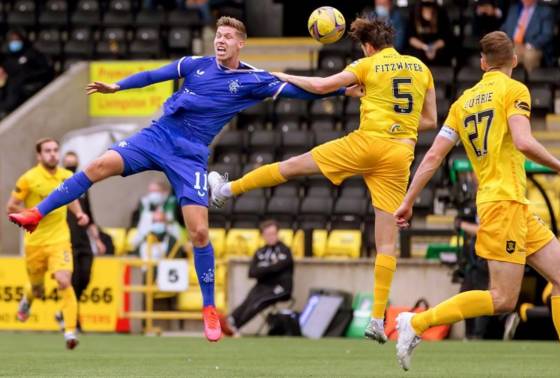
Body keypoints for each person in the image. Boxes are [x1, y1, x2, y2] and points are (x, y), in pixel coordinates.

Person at [8, 16, 356, 343]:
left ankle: (208, 309)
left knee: (199, 231)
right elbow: (155, 75)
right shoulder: (195, 64)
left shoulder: (254, 80)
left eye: (228, 37)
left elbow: (301, 92)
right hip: (157, 136)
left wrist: (343, 91)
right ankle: (36, 214)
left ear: (241, 44)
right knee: (98, 165)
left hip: (190, 156)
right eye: (219, 35)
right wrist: (118, 86)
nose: (221, 40)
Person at [209, 17, 437, 345]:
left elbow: (320, 86)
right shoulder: (420, 68)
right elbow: (428, 120)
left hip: (366, 144)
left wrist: (280, 75)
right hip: (400, 154)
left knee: (291, 167)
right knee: (387, 243)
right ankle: (376, 318)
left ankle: (226, 189)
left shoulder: (368, 63)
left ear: (368, 46)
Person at [393, 31, 560, 377]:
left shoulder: (463, 103)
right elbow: (523, 140)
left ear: (483, 62)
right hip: (501, 205)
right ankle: (417, 322)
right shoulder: (514, 90)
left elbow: (433, 156)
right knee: (503, 299)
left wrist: (408, 201)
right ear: (514, 60)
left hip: (513, 206)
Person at [5, 138, 90, 350]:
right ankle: (28, 299)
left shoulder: (66, 176)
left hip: (59, 239)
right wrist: (26, 216)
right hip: (34, 242)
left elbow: (71, 198)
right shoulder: (28, 179)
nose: (53, 154)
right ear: (39, 156)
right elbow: (11, 207)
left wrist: (79, 214)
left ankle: (70, 331)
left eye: (55, 150)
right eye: (47, 151)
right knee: (37, 289)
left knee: (64, 281)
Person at [56, 151, 106, 332]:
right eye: (68, 164)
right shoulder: (59, 185)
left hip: (83, 239)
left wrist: (97, 239)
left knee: (85, 277)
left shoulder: (83, 187)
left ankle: (63, 313)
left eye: (73, 165)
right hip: (65, 239)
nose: (71, 168)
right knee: (74, 280)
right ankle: (73, 322)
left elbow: (89, 215)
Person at [220, 220, 293, 336]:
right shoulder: (260, 252)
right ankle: (230, 320)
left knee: (258, 302)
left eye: (273, 234)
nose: (271, 237)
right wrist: (271, 266)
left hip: (280, 287)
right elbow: (252, 272)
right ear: (263, 236)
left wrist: (264, 268)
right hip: (263, 286)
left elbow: (279, 267)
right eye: (268, 234)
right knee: (249, 299)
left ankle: (235, 327)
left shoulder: (285, 250)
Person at [0, 29, 54, 116]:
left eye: (16, 40)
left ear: (22, 40)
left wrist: (28, 76)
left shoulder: (32, 54)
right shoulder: (6, 56)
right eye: (12, 40)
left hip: (27, 85)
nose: (14, 43)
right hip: (9, 86)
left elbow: (46, 71)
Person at [501, 0, 554, 72]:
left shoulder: (545, 11)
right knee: (503, 55)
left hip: (533, 46)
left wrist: (529, 45)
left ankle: (530, 81)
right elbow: (504, 29)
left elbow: (547, 34)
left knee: (529, 56)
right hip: (513, 44)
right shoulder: (513, 9)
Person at [131, 180, 181, 250]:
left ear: (165, 192)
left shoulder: (174, 205)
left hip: (167, 241)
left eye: (156, 191)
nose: (153, 194)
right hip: (146, 242)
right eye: (151, 191)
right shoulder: (144, 204)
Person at [406, 0, 453, 65]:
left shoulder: (441, 12)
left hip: (438, 51)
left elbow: (446, 37)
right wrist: (425, 47)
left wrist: (434, 47)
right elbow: (410, 38)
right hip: (419, 50)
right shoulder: (414, 12)